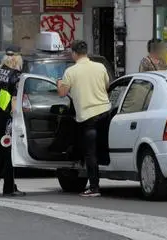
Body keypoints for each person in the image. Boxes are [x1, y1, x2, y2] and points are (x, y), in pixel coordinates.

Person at [57, 40, 111, 197]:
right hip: (105, 112)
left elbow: (62, 92)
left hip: (88, 117)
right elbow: (107, 86)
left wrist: (59, 83)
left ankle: (94, 187)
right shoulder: (100, 67)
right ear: (86, 52)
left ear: (74, 53)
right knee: (103, 147)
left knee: (90, 153)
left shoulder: (71, 72)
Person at [0, 45, 25, 197]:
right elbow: (14, 99)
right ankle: (9, 188)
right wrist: (17, 116)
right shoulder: (16, 75)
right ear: (17, 59)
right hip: (8, 119)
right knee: (9, 153)